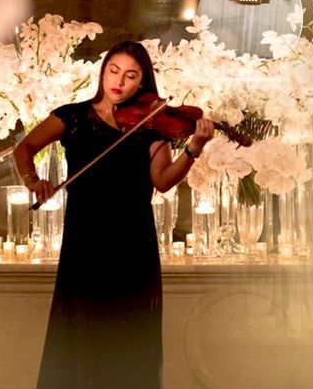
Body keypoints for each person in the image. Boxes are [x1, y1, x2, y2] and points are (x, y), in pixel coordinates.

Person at [13, 41, 214, 389]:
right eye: (114, 71)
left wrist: (193, 148)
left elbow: (163, 181)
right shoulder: (72, 116)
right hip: (84, 241)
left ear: (142, 82)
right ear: (103, 72)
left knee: (128, 338)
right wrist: (33, 180)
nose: (119, 81)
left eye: (130, 75)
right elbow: (24, 148)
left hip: (133, 245)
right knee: (80, 336)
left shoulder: (152, 127)